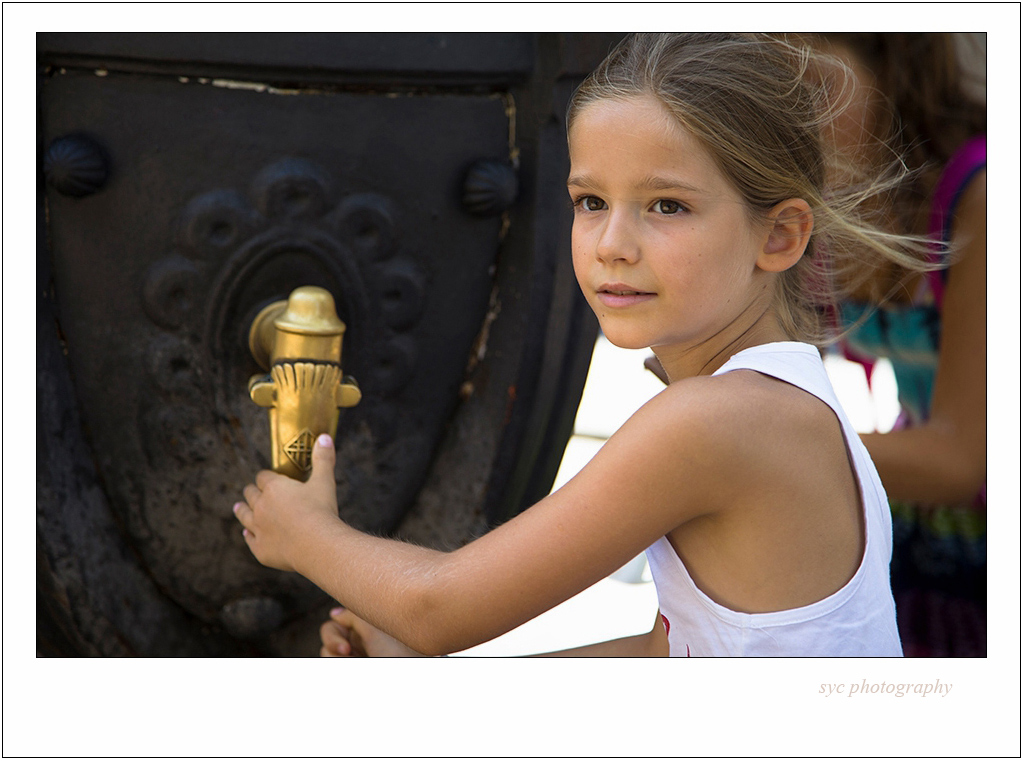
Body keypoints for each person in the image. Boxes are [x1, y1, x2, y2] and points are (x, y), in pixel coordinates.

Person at [234, 33, 935, 657]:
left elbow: (438, 607)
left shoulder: (717, 421)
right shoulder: (783, 401)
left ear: (778, 235)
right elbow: (670, 651)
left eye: (667, 205)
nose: (611, 246)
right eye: (589, 201)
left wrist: (304, 532)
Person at [810, 33, 987, 657]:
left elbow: (964, 461)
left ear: (893, 61)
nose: (788, 120)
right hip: (927, 533)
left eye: (813, 87)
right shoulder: (822, 207)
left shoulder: (982, 198)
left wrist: (781, 444)